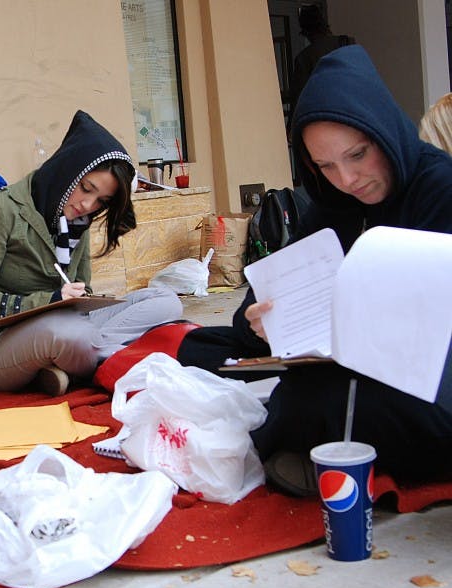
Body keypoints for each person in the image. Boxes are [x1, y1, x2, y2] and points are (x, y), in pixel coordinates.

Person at [179, 45, 452, 494]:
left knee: (320, 396)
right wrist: (259, 324)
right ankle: (315, 442)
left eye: (357, 155)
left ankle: (312, 446)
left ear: (383, 132)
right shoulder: (333, 203)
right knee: (199, 348)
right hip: (338, 361)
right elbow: (263, 297)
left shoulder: (438, 187)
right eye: (326, 166)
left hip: (424, 376)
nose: (347, 179)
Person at [0, 110, 183, 396]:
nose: (88, 205)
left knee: (165, 300)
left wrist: (84, 298)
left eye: (101, 201)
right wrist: (50, 300)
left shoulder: (76, 220)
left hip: (63, 328)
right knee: (70, 334)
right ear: (66, 171)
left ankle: (67, 362)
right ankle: (103, 356)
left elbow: (82, 292)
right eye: (86, 188)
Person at [288, 4, 355, 127]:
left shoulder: (305, 58)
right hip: (352, 114)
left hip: (325, 120)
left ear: (306, 31)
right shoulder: (347, 43)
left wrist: (291, 128)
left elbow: (298, 99)